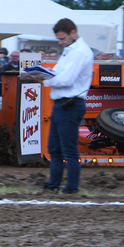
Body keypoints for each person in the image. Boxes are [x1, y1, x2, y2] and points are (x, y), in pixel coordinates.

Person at [30, 19, 93, 195]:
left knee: (68, 150)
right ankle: (54, 185)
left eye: (62, 38)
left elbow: (66, 79)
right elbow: (58, 73)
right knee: (55, 149)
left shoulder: (79, 52)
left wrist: (45, 79)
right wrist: (45, 75)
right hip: (62, 104)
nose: (60, 42)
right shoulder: (71, 50)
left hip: (70, 104)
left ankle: (71, 187)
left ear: (73, 32)